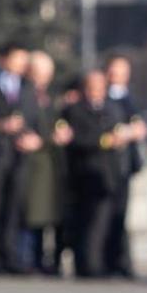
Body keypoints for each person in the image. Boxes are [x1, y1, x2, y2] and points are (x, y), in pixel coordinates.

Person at [62, 70, 121, 279]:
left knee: (102, 222)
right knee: (86, 222)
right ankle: (87, 264)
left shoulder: (111, 109)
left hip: (106, 175)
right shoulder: (75, 110)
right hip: (84, 173)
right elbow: (76, 139)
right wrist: (104, 141)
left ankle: (97, 261)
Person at [0, 46, 30, 273]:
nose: (21, 64)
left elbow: (32, 116)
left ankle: (11, 253)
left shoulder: (27, 87)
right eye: (17, 59)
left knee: (14, 206)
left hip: (19, 154)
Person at [18, 51, 67, 274]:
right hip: (29, 164)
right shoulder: (24, 94)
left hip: (49, 162)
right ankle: (27, 257)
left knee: (46, 213)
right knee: (30, 213)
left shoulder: (51, 96)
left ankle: (43, 257)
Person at [101, 55, 147, 277]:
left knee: (122, 214)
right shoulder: (103, 97)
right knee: (106, 214)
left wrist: (133, 131)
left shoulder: (131, 98)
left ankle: (122, 260)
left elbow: (140, 126)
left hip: (125, 165)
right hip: (107, 164)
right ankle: (107, 260)